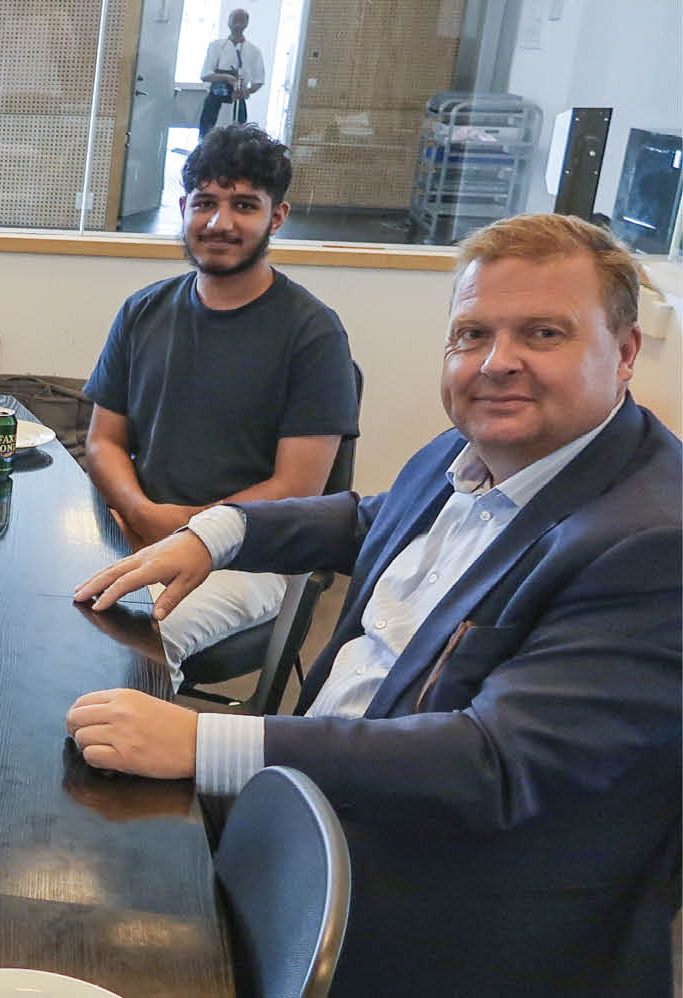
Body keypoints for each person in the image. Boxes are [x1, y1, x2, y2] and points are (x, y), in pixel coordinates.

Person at [67, 213, 679, 996]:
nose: (496, 363)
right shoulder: (472, 449)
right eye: (470, 334)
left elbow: (490, 764)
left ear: (623, 353)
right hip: (313, 799)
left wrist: (211, 743)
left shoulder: (650, 541)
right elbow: (366, 518)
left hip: (436, 908)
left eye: (542, 333)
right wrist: (214, 532)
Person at [83, 124, 358, 682]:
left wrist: (186, 528)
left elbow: (295, 491)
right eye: (205, 203)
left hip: (252, 552)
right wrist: (139, 512)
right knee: (40, 607)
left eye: (244, 206)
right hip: (136, 527)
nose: (219, 223)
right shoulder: (143, 311)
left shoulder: (313, 334)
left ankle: (139, 760)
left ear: (275, 217)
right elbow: (103, 440)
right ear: (184, 207)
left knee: (126, 638)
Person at [198, 8, 264, 137]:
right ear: (229, 22)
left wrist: (247, 91)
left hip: (238, 99)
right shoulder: (216, 46)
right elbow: (205, 75)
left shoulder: (253, 51)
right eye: (235, 21)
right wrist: (228, 78)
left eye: (241, 21)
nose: (238, 25)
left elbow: (258, 80)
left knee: (237, 138)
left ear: (246, 24)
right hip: (215, 99)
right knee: (208, 137)